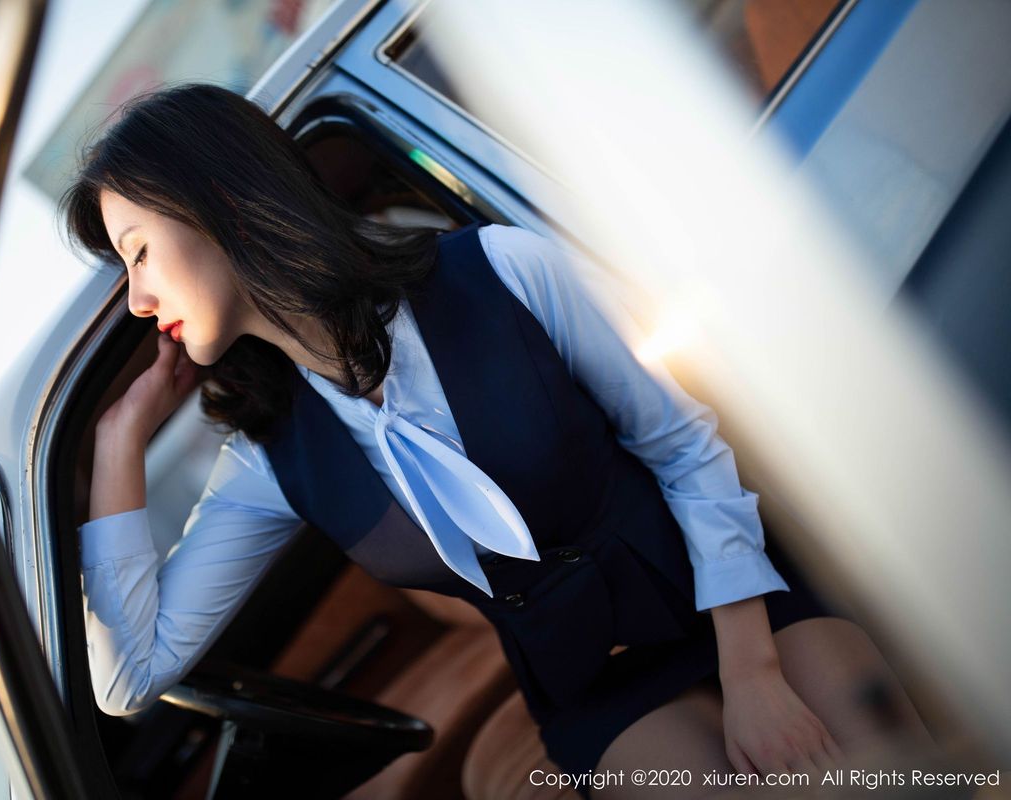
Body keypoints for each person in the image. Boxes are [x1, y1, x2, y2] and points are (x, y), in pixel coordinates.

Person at [63, 83, 933, 798]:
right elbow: (130, 677)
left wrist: (751, 673)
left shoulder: (506, 271)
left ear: (220, 201)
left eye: (139, 252)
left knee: (885, 777)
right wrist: (117, 447)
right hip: (596, 688)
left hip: (734, 597)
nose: (139, 300)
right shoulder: (265, 462)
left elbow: (683, 446)